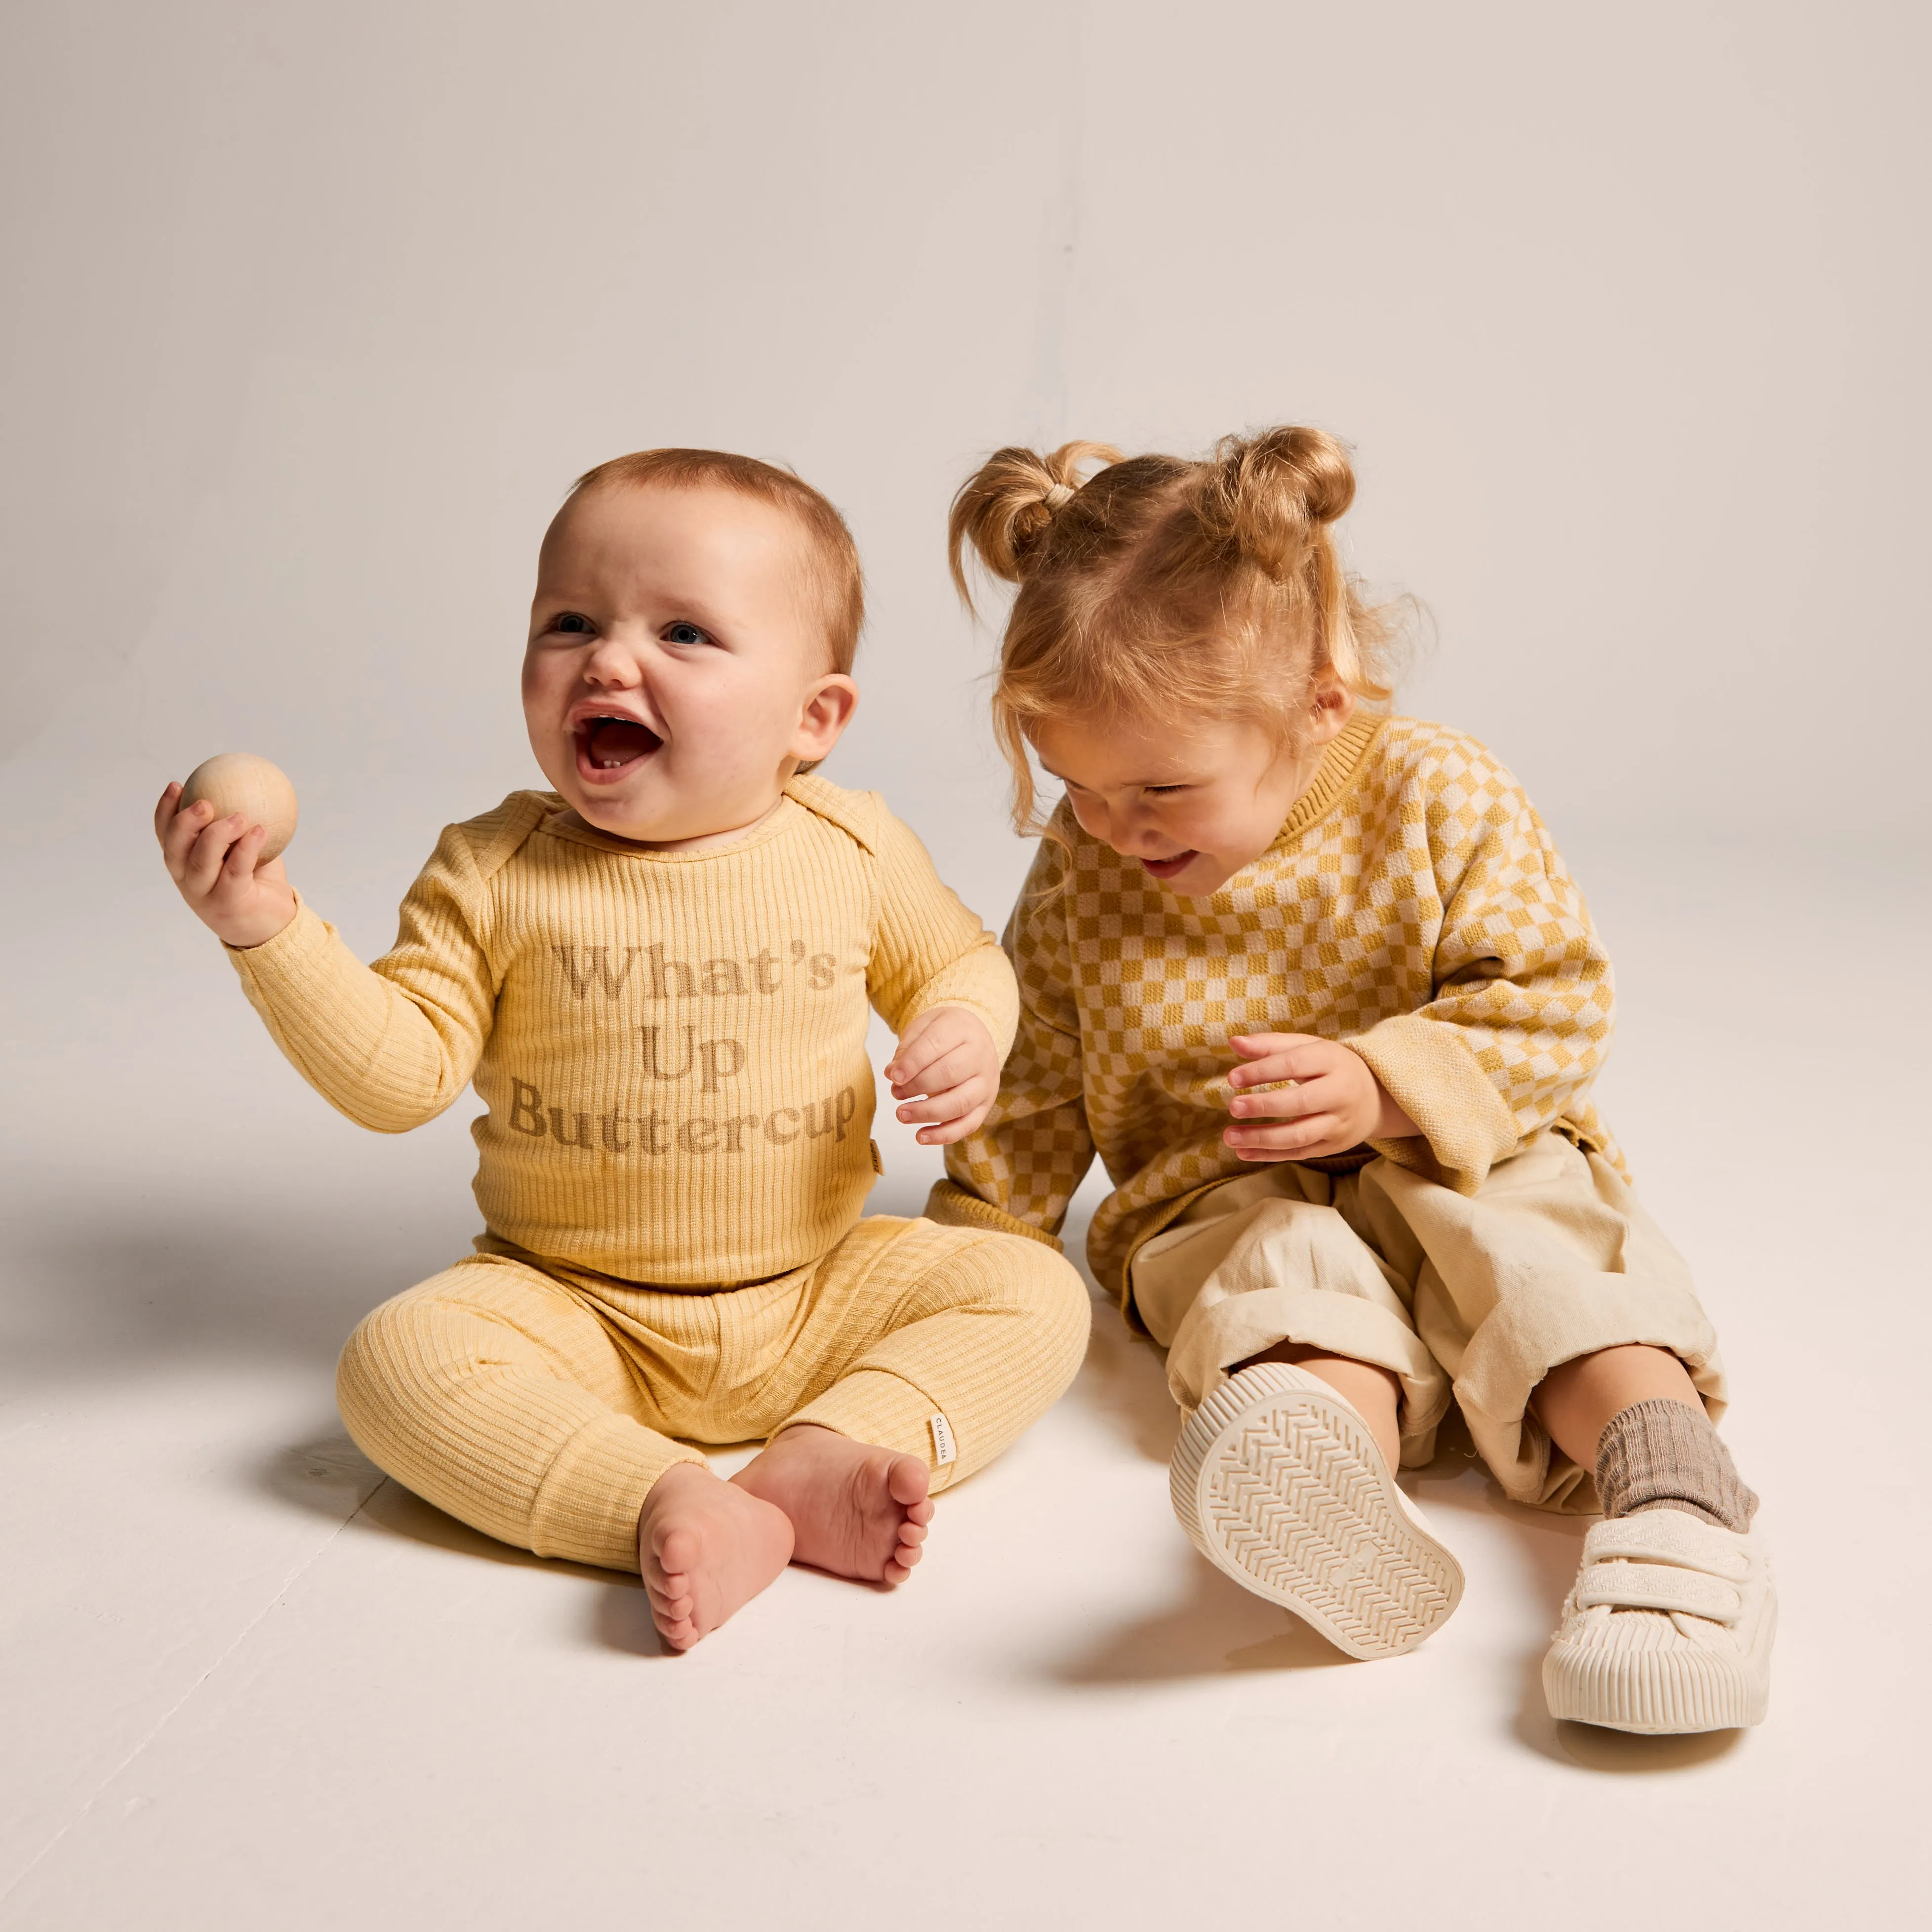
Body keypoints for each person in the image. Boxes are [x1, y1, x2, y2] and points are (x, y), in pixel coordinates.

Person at [154, 448, 1090, 1651]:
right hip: (571, 1306)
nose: (608, 659)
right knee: (394, 1363)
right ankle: (659, 1500)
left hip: (815, 1287)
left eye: (686, 634)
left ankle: (827, 1454)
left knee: (1026, 1291)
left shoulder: (851, 847)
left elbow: (962, 963)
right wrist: (268, 930)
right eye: (571, 621)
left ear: (815, 718)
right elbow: (401, 1080)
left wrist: (964, 1026)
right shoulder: (492, 868)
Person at [930, 427, 1772, 1733]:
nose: (1115, 827)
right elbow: (1036, 1070)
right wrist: (978, 1242)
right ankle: (1330, 1487)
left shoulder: (1436, 793)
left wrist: (1388, 1085)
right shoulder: (1091, 865)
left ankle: (1678, 1509)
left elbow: (1555, 999)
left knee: (1543, 1252)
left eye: (1160, 787)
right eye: (1078, 788)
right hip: (1226, 1185)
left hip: (1464, 1147)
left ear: (1324, 700)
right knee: (1275, 1279)